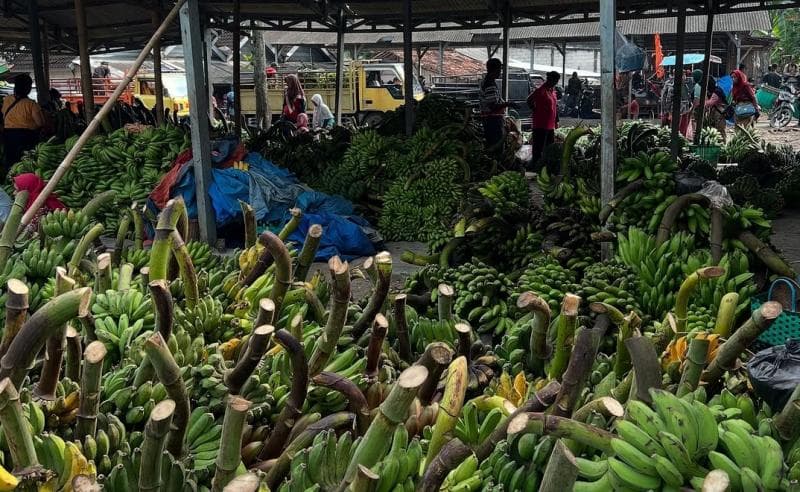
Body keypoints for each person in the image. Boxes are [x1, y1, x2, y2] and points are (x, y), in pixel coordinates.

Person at [1, 74, 45, 174]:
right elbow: (40, 123)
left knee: (11, 163)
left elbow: (3, 114)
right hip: (26, 138)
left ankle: (11, 182)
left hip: (8, 137)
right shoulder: (31, 104)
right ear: (28, 88)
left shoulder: (7, 100)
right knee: (26, 164)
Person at [527, 71, 560, 164]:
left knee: (549, 147)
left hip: (550, 125)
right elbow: (529, 100)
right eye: (555, 81)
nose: (555, 83)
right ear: (549, 79)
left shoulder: (552, 91)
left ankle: (545, 165)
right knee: (538, 147)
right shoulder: (540, 90)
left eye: (557, 81)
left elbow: (555, 106)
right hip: (540, 124)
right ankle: (535, 165)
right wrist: (535, 110)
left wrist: (556, 120)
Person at [479, 58, 510, 152]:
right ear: (494, 69)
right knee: (496, 146)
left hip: (490, 120)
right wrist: (508, 104)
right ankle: (495, 163)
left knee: (494, 144)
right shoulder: (489, 84)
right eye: (499, 69)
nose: (500, 72)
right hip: (492, 121)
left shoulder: (488, 81)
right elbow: (492, 106)